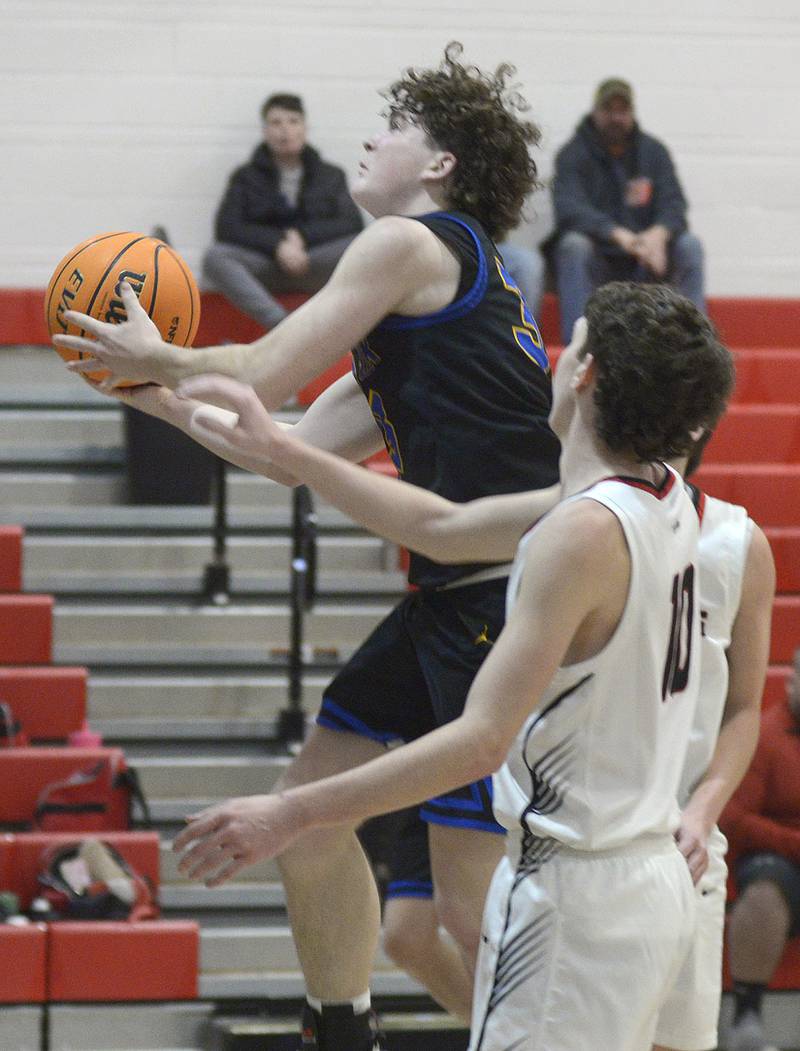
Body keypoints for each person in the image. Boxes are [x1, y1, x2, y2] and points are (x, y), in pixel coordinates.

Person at [55, 44, 562, 1051]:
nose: (368, 139)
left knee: (468, 914)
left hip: (508, 600)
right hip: (449, 594)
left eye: (394, 126)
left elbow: (259, 370)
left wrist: (158, 351)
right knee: (307, 818)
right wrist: (144, 391)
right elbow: (278, 449)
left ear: (440, 165)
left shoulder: (410, 244)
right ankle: (341, 1031)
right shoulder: (426, 304)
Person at [165, 281, 734, 1050]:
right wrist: (285, 448)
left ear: (587, 372)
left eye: (571, 344)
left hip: (576, 897)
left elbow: (479, 741)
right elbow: (444, 526)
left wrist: (294, 810)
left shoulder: (580, 534)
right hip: (644, 880)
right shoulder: (663, 500)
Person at [377, 436, 777, 1044]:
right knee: (427, 930)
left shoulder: (726, 541)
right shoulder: (576, 521)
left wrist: (702, 811)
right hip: (573, 845)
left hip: (665, 847)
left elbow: (744, 709)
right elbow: (440, 530)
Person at [549, 77, 705, 343]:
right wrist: (620, 236)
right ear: (595, 111)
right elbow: (569, 209)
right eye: (608, 110)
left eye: (623, 110)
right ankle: (579, 347)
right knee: (573, 246)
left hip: (648, 262)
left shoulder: (654, 153)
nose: (616, 117)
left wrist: (657, 236)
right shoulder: (572, 155)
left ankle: (695, 345)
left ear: (632, 113)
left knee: (689, 246)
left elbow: (674, 204)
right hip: (599, 261)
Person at [202, 92, 364, 331]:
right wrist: (278, 244)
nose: (285, 130)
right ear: (265, 131)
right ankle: (282, 325)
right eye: (276, 123)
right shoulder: (246, 177)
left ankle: (346, 322)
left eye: (293, 121)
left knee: (363, 243)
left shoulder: (331, 174)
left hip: (314, 264)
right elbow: (227, 227)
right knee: (216, 257)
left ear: (305, 128)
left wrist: (302, 237)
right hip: (266, 268)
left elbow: (351, 222)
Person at [718, 648, 800, 1051]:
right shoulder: (763, 737)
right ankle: (746, 1014)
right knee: (766, 890)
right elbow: (733, 819)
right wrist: (793, 844)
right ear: (792, 682)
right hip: (773, 858)